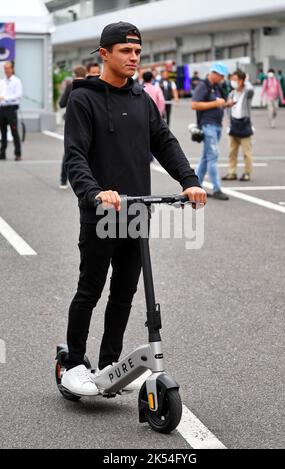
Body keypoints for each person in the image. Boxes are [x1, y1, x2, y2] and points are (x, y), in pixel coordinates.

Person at [61, 21, 206, 396]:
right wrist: (94, 192)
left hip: (138, 209)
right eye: (126, 51)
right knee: (90, 288)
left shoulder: (141, 100)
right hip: (102, 212)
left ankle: (110, 361)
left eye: (138, 52)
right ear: (104, 53)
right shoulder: (83, 99)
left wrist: (188, 180)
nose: (134, 58)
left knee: (125, 291)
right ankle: (74, 362)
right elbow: (76, 155)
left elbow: (164, 141)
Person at [191, 62, 231, 200]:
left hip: (216, 125)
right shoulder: (203, 86)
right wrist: (217, 103)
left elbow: (218, 103)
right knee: (213, 156)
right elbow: (194, 104)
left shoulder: (216, 86)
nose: (222, 79)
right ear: (214, 74)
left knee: (206, 157)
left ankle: (197, 186)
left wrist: (226, 104)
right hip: (208, 125)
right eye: (220, 76)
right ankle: (217, 188)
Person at [222, 70, 254, 182]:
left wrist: (246, 81)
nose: (233, 82)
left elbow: (250, 89)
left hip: (244, 123)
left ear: (241, 81)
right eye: (232, 79)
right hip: (233, 124)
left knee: (247, 152)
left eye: (235, 79)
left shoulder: (247, 92)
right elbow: (228, 110)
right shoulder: (231, 93)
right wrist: (228, 124)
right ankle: (232, 173)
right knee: (232, 152)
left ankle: (247, 173)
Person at [59, 65, 86, 189]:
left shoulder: (71, 86)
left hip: (72, 121)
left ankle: (63, 180)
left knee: (70, 150)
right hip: (89, 121)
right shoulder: (90, 86)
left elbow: (61, 103)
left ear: (75, 74)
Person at [0, 61, 22, 161]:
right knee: (3, 132)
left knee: (14, 131)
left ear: (12, 69)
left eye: (8, 68)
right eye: (5, 69)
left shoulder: (16, 81)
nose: (6, 70)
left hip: (11, 108)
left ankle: (18, 153)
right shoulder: (2, 81)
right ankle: (2, 153)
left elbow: (18, 95)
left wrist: (5, 98)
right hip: (2, 108)